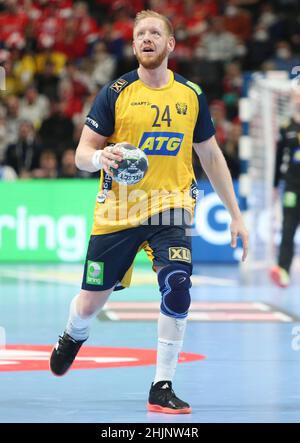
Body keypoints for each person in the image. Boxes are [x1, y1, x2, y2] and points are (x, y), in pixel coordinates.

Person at [50, 10, 248, 414]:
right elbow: (81, 155)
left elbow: (209, 154)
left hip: (170, 206)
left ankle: (162, 384)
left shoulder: (190, 95)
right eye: (140, 33)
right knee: (90, 302)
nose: (146, 38)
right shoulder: (115, 93)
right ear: (135, 44)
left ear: (170, 44)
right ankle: (74, 333)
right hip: (119, 211)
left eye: (155, 33)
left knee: (178, 284)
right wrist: (100, 156)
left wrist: (235, 213)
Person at [270, 86, 300, 288]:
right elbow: (279, 158)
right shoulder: (287, 126)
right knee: (288, 229)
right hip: (292, 187)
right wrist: (274, 185)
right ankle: (282, 271)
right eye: (296, 96)